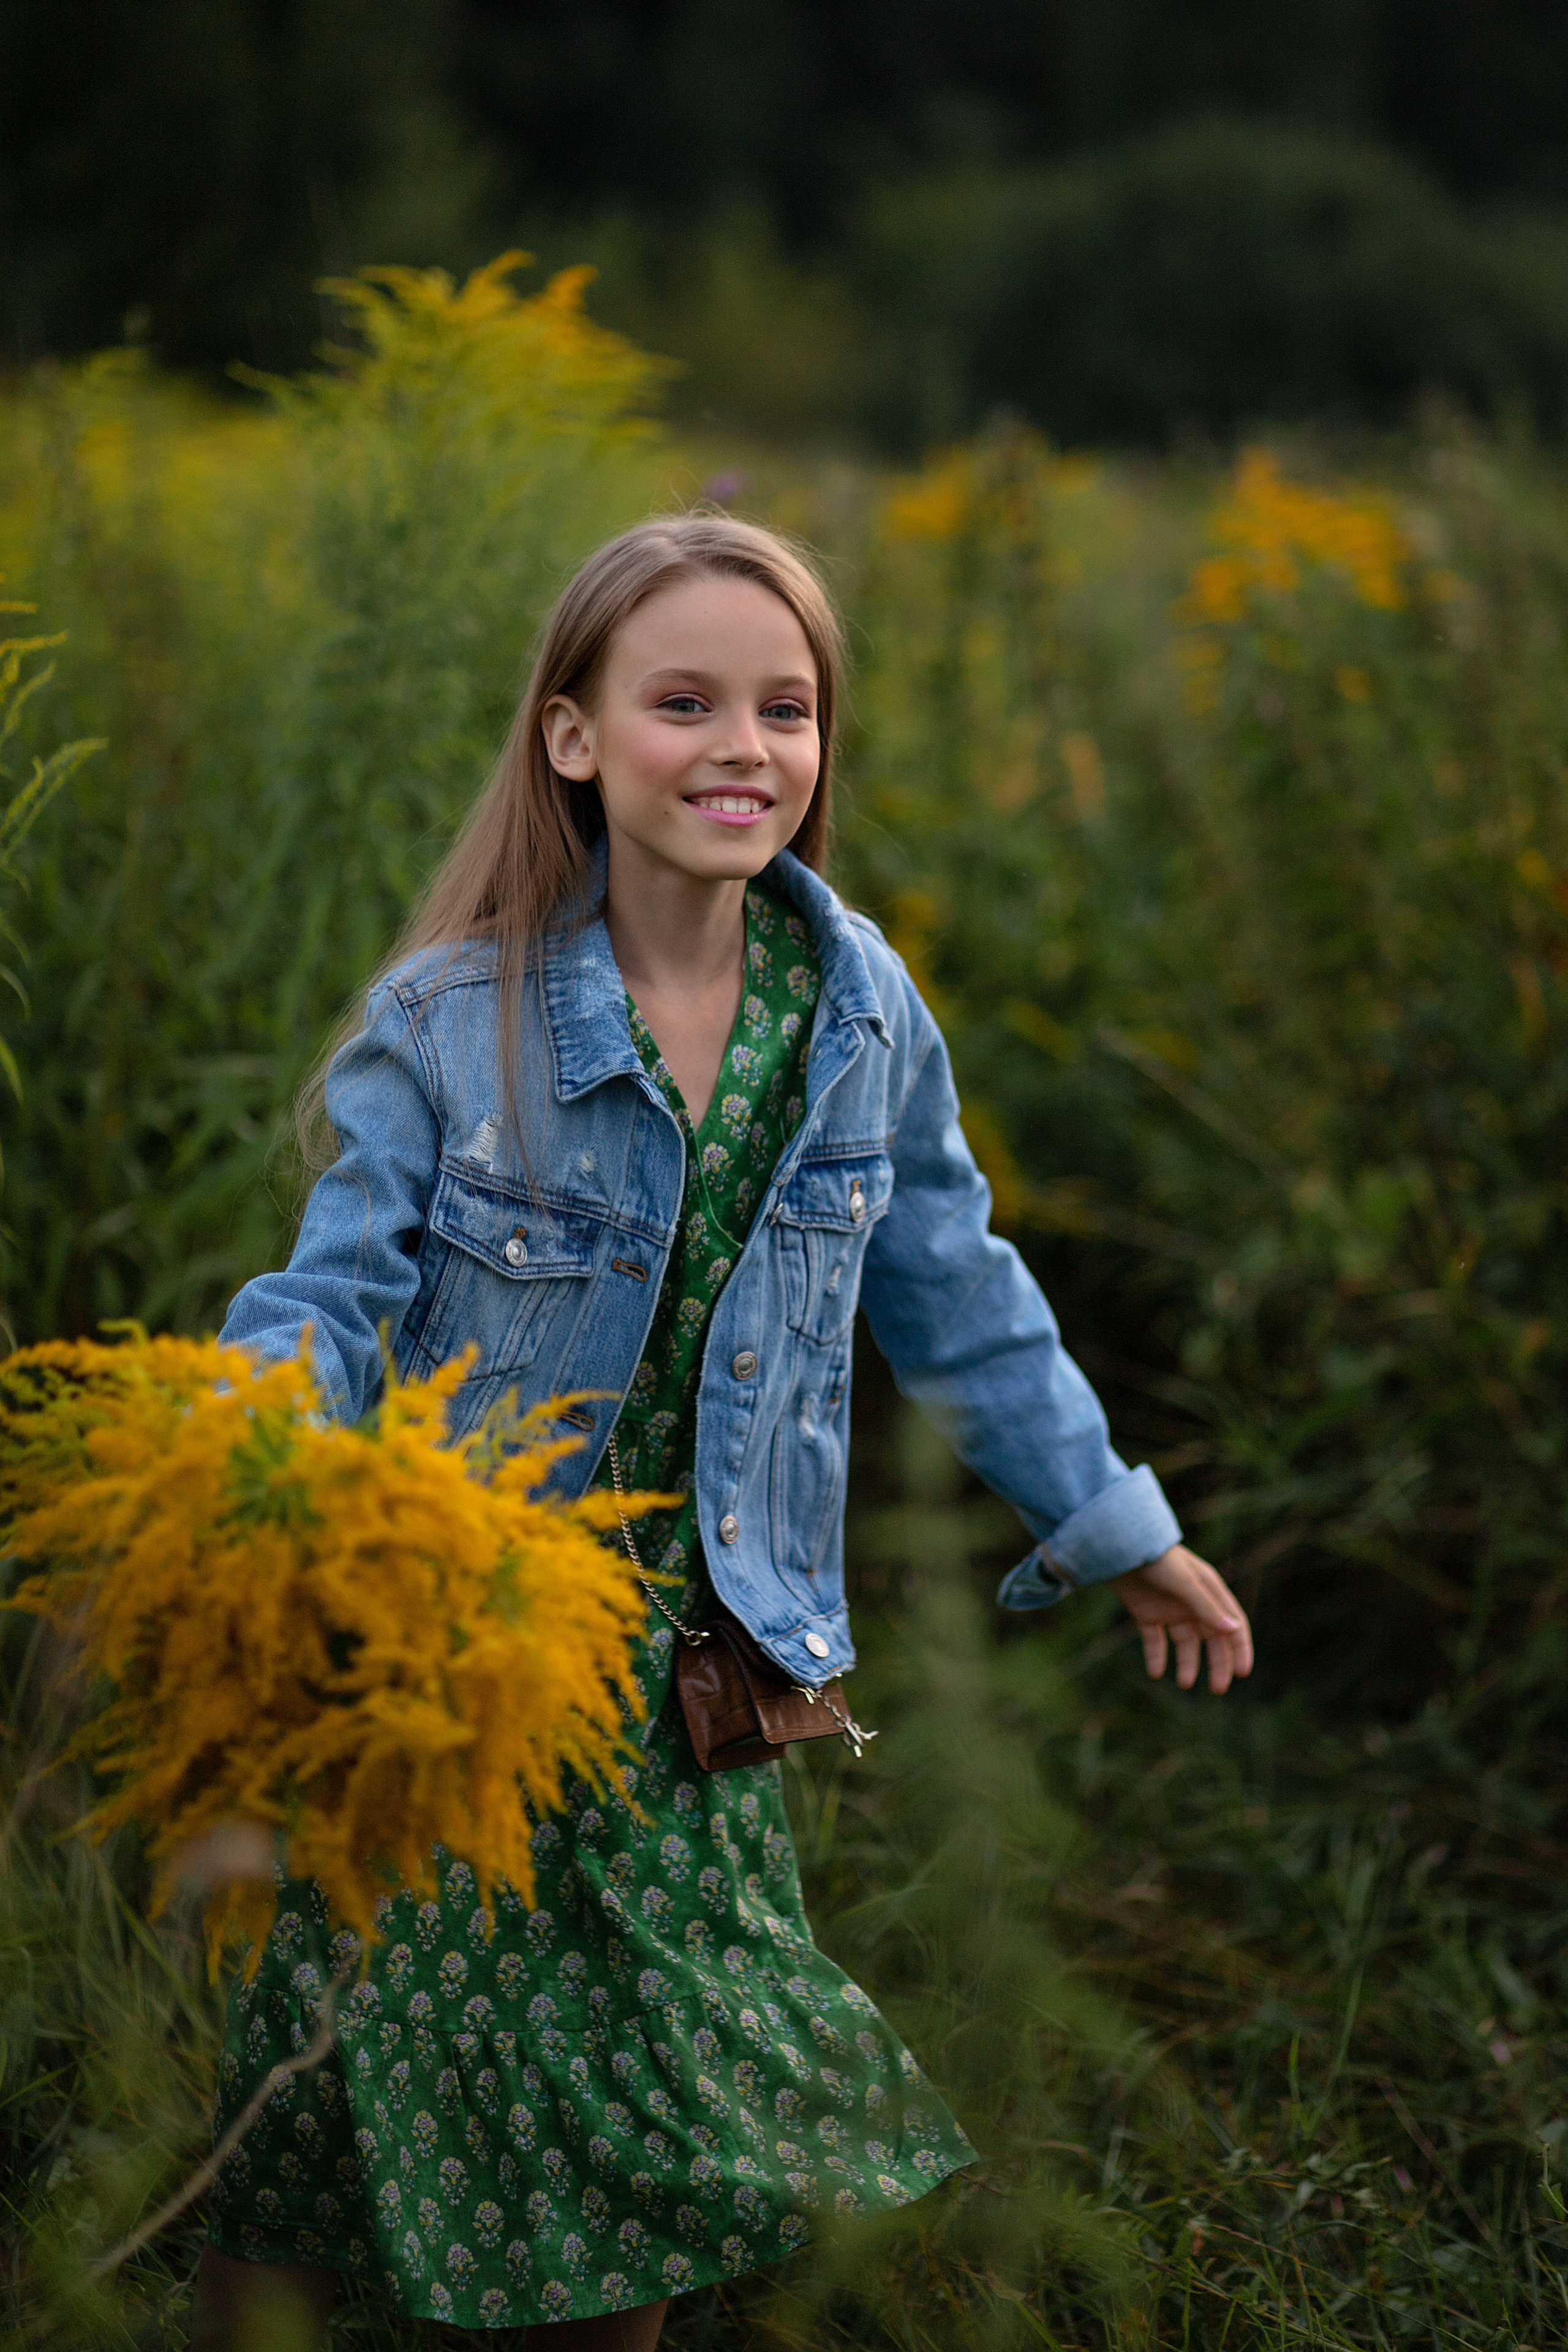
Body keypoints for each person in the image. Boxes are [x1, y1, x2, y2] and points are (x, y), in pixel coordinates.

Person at [190, 514, 1252, 2350]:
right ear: (576, 737)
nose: (744, 746)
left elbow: (959, 1290)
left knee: (666, 2123)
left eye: (789, 707)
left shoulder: (856, 1018)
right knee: (346, 2062)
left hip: (703, 1647)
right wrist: (236, 1454)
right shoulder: (455, 1026)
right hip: (461, 1637)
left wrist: (1109, 1517)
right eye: (684, 701)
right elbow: (333, 1298)